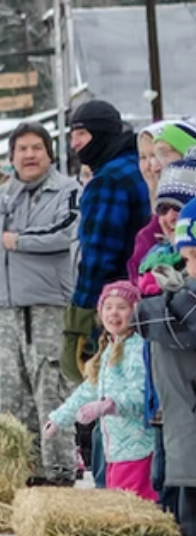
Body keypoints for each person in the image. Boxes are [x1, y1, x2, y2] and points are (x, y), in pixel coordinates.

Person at [0, 121, 83, 486]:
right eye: (21, 149)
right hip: (4, 309)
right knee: (12, 393)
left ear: (49, 153)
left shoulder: (68, 191)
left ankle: (58, 472)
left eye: (36, 147)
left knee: (50, 390)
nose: (29, 155)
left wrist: (17, 241)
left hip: (47, 307)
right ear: (12, 156)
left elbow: (65, 233)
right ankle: (22, 471)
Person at [132, 199, 196, 536]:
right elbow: (149, 317)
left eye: (192, 256)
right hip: (182, 435)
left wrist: (161, 302)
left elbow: (162, 321)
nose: (185, 266)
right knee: (190, 534)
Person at [65, 100, 151, 385]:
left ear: (100, 135)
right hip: (149, 295)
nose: (74, 143)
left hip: (118, 303)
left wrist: (79, 318)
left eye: (81, 133)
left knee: (109, 387)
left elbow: (98, 257)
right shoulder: (139, 166)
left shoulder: (108, 180)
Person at [46, 280, 154, 501]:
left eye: (122, 307)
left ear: (135, 311)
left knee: (131, 508)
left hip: (138, 446)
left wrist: (109, 405)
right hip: (116, 449)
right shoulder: (110, 347)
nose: (114, 313)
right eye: (108, 307)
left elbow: (142, 393)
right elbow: (89, 390)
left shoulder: (137, 348)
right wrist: (59, 418)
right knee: (116, 504)